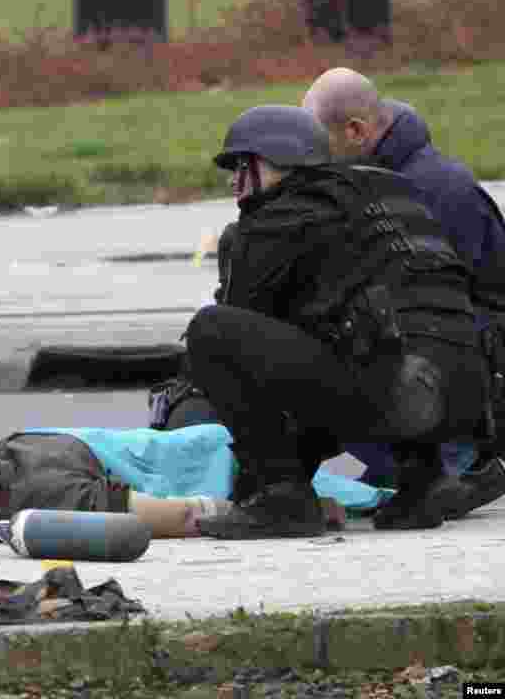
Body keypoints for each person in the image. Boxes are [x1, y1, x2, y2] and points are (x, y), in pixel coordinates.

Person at [183, 104, 490, 539]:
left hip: (403, 395)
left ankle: (282, 498)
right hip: (468, 401)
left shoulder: (280, 216)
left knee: (212, 332)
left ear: (279, 163)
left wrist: (264, 472)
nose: (233, 180)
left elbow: (247, 334)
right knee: (366, 338)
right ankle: (423, 482)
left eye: (241, 165)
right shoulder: (386, 192)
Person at [302, 67, 505, 517]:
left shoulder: (434, 192)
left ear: (355, 131)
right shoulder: (375, 184)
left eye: (317, 144)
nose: (309, 158)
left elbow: (469, 309)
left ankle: (445, 463)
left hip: (464, 372)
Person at [0, 421, 382, 544]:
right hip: (211, 460)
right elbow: (159, 514)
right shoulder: (49, 495)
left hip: (169, 442)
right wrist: (229, 513)